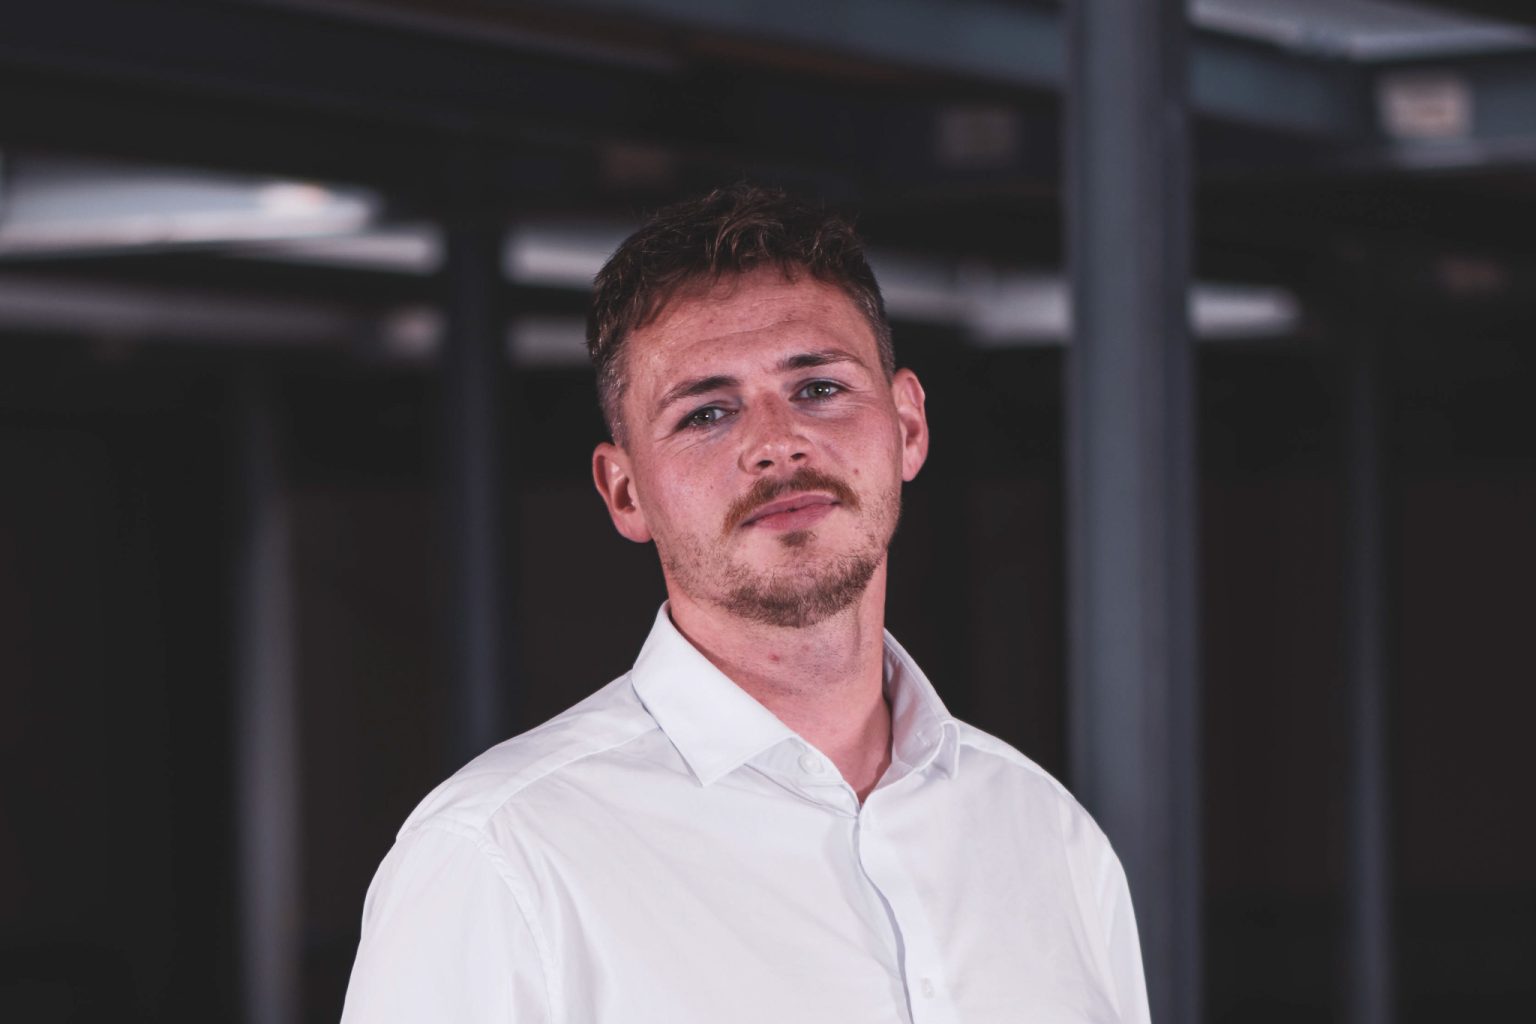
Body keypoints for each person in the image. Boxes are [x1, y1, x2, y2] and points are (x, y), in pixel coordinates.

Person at [340, 184, 1150, 1023]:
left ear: (908, 426)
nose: (776, 443)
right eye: (707, 413)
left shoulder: (1050, 838)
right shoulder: (500, 859)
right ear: (625, 492)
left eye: (819, 389)